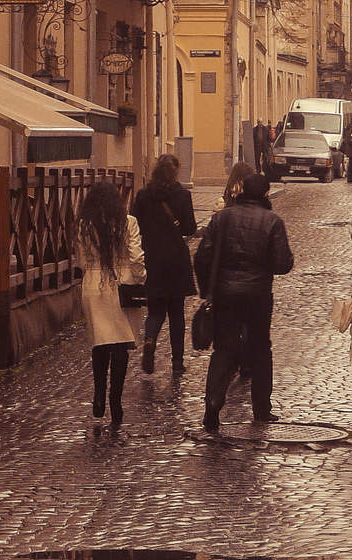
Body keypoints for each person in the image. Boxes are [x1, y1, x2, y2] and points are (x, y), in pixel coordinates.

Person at [194, 171, 294, 431]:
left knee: (224, 348)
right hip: (258, 295)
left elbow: (202, 257)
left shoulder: (221, 218)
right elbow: (283, 264)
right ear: (265, 194)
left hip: (225, 293)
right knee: (260, 349)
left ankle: (213, 402)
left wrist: (208, 291)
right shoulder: (272, 221)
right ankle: (261, 409)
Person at [76, 181, 143, 430]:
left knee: (100, 342)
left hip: (93, 284)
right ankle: (115, 400)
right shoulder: (128, 222)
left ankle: (98, 397)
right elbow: (136, 256)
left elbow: (81, 259)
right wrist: (141, 278)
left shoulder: (84, 225)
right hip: (122, 284)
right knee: (120, 345)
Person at [132, 153, 197, 376]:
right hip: (176, 260)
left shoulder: (143, 196)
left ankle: (150, 339)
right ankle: (177, 362)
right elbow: (189, 228)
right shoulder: (182, 195)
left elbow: (134, 224)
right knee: (177, 314)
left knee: (155, 310)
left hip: (152, 258)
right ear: (175, 172)